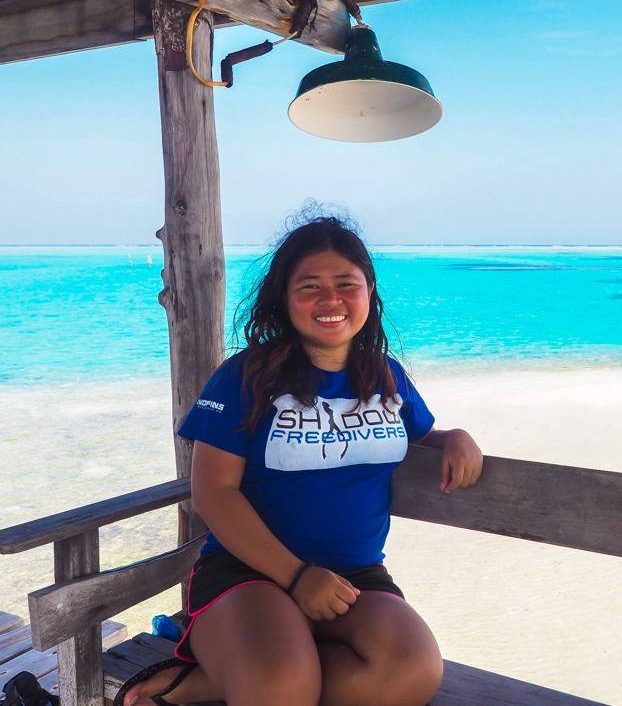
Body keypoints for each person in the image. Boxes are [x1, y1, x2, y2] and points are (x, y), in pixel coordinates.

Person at [115, 214, 483, 706]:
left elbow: (419, 435)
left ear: (369, 293)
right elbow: (212, 492)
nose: (330, 300)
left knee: (411, 671)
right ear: (284, 300)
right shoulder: (244, 376)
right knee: (282, 688)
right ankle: (235, 670)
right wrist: (295, 576)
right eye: (310, 286)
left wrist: (453, 437)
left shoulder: (385, 375)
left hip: (355, 578)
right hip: (248, 573)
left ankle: (212, 679)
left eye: (346, 285)